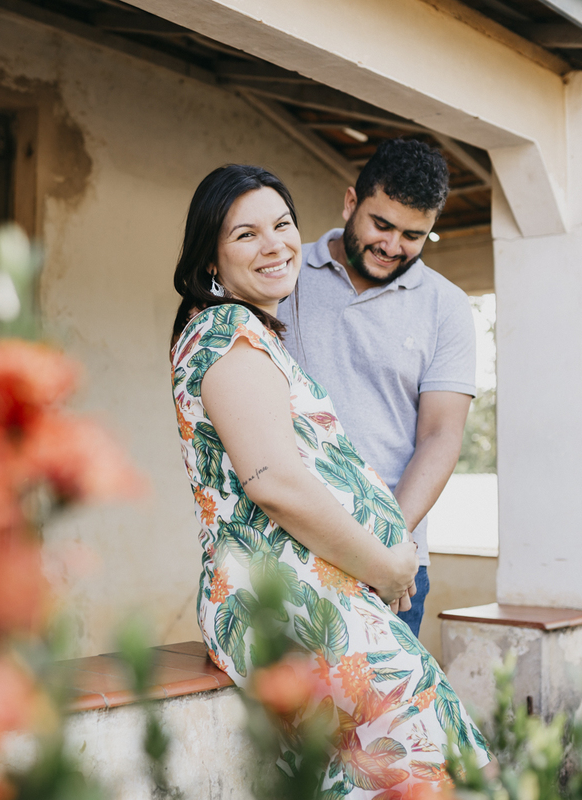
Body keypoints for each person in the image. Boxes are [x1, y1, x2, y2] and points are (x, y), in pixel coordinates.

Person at [170, 164, 489, 795]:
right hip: (296, 595)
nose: (275, 245)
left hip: (330, 590)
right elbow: (273, 482)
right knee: (441, 773)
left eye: (283, 225)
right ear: (212, 256)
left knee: (414, 772)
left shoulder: (253, 334)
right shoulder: (229, 334)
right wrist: (390, 565)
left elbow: (440, 435)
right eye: (245, 235)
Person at [279, 139, 476, 638]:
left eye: (414, 235)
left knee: (382, 719)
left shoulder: (446, 307)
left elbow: (440, 436)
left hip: (393, 562)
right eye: (381, 225)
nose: (392, 246)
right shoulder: (282, 273)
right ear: (350, 203)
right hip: (283, 548)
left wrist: (385, 544)